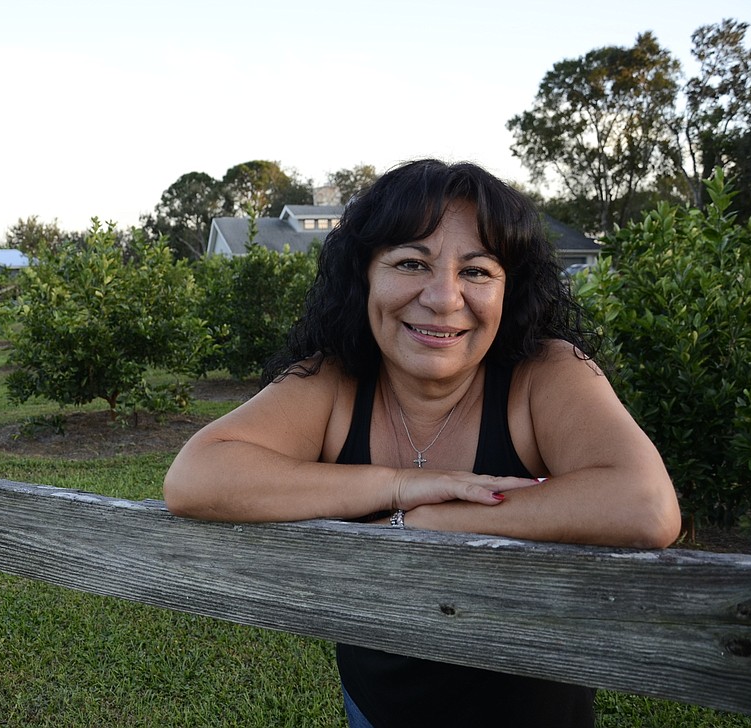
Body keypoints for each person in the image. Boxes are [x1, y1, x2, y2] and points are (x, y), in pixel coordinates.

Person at [164, 159, 681, 727]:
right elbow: (196, 477)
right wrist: (400, 484)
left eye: (477, 271)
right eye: (411, 262)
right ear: (365, 277)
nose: (443, 298)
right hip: (374, 707)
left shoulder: (545, 374)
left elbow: (645, 505)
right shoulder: (334, 381)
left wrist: (434, 522)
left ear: (511, 288)